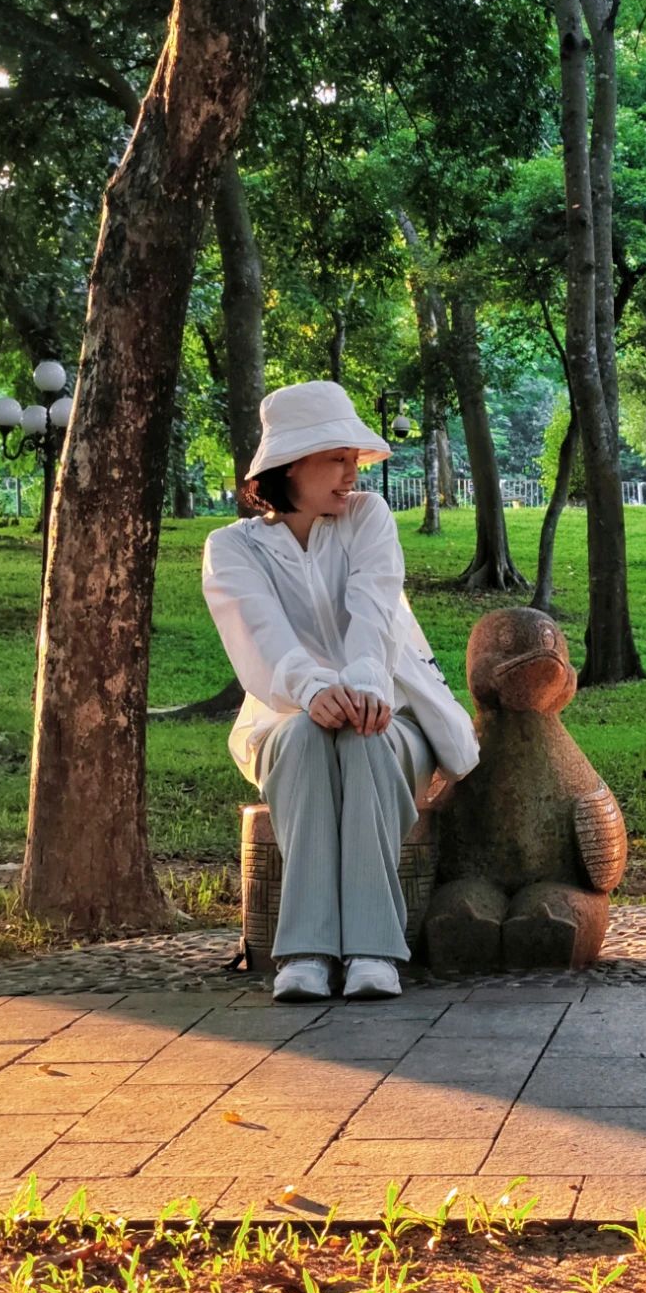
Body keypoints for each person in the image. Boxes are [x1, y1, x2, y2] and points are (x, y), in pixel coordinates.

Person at [202, 381, 478, 1003]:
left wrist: (363, 689)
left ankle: (374, 953)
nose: (353, 473)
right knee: (304, 734)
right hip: (281, 717)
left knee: (366, 740)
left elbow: (374, 611)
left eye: (355, 459)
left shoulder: (368, 518)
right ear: (289, 465)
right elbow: (260, 638)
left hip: (391, 711)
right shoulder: (230, 550)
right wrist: (312, 691)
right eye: (337, 458)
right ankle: (304, 952)